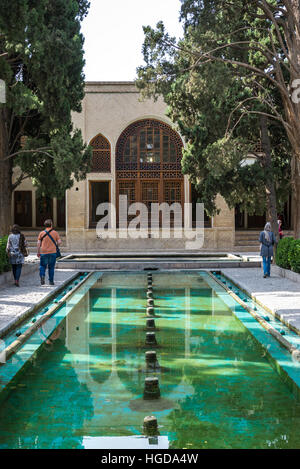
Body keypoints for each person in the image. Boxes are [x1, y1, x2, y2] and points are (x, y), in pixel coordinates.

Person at [37, 219, 61, 286]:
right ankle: (51, 281)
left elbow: (38, 243)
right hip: (53, 252)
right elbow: (59, 242)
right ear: (51, 224)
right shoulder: (55, 233)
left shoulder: (41, 233)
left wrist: (38, 252)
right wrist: (56, 246)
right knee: (51, 267)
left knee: (42, 266)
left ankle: (42, 277)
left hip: (43, 252)